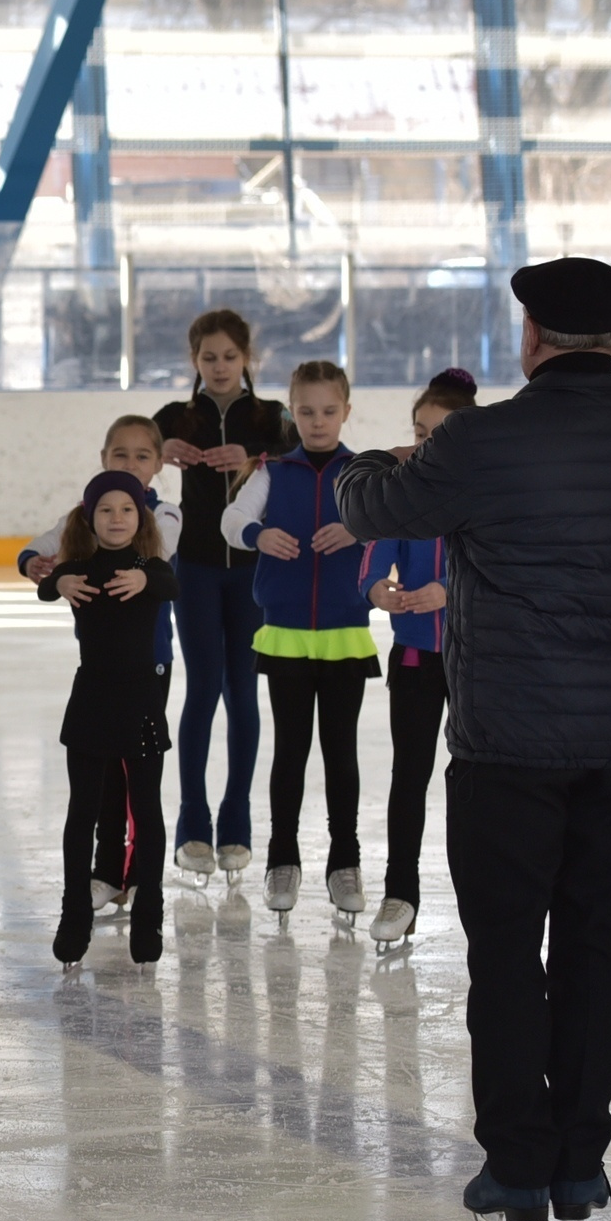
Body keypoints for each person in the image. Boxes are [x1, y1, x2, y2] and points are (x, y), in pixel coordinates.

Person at [338, 255, 611, 1221]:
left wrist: (368, 460)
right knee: (596, 936)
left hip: (508, 739)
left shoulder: (479, 441)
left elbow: (378, 510)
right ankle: (581, 1161)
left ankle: (515, 1173)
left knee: (506, 949)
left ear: (532, 336)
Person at [220, 358, 375, 921]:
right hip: (285, 633)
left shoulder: (361, 472)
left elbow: (394, 522)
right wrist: (260, 534)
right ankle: (281, 859)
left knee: (341, 752)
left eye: (328, 411)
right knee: (290, 751)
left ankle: (345, 861)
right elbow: (231, 520)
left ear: (345, 412)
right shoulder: (271, 472)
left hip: (342, 635)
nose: (317, 421)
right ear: (293, 411)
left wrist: (359, 527)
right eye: (306, 411)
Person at [20, 414, 183, 916]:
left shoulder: (163, 514)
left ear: (158, 464)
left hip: (150, 664)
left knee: (139, 784)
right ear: (103, 458)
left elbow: (162, 560)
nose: (131, 464)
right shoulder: (90, 514)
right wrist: (43, 568)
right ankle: (106, 871)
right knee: (103, 782)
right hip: (98, 673)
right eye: (120, 455)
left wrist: (136, 571)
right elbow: (38, 551)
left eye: (141, 456)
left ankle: (137, 875)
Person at [154, 309, 293, 885]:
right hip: (199, 571)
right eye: (208, 358)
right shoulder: (175, 416)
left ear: (247, 359)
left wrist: (255, 457)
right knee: (202, 689)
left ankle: (237, 821)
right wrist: (163, 450)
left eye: (229, 357)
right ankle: (192, 821)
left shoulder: (272, 418)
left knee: (243, 691)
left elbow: (300, 459)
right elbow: (133, 446)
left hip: (253, 574)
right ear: (194, 360)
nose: (218, 367)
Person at [357, 368, 479, 949]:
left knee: (480, 780)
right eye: (419, 430)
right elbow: (375, 547)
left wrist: (450, 591)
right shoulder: (403, 488)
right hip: (414, 658)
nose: (425, 443)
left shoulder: (488, 492)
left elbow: (504, 565)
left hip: (478, 657)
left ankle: (489, 898)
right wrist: (377, 588)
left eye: (439, 433)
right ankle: (400, 894)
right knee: (410, 776)